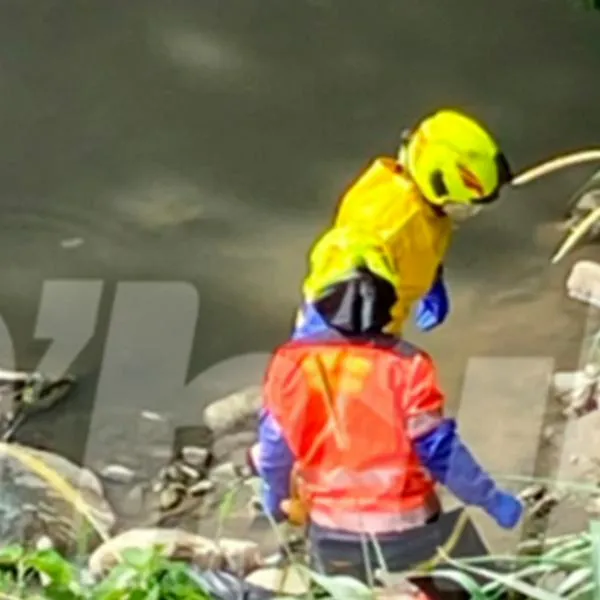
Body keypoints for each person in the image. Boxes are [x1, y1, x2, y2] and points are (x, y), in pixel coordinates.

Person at [251, 254, 523, 588]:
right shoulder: (408, 365)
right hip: (409, 527)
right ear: (388, 314)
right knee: (470, 576)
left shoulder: (288, 363)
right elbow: (441, 452)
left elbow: (273, 449)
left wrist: (274, 496)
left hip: (331, 530)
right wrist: (491, 499)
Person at [294, 108, 513, 339]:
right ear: (438, 181)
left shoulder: (427, 207)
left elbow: (418, 242)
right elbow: (349, 255)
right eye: (465, 205)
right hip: (344, 334)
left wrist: (430, 276)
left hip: (382, 327)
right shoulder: (386, 218)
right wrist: (340, 325)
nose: (467, 212)